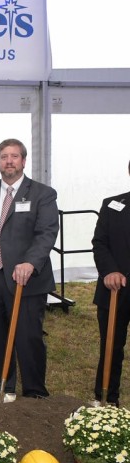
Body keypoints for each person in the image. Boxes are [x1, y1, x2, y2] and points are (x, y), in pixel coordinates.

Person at [0, 138, 58, 399]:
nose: (8, 161)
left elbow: (46, 232)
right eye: (3, 157)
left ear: (23, 161)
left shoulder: (42, 194)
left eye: (14, 156)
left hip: (25, 279)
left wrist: (31, 263)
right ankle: (2, 387)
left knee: (27, 336)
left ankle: (34, 391)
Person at [90, 160, 130, 406]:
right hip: (115, 289)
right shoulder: (113, 205)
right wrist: (110, 271)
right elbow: (100, 242)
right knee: (111, 346)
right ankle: (105, 398)